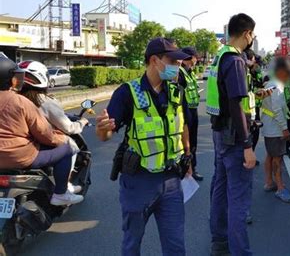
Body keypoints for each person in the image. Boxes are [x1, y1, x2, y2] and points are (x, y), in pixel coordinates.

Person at [95, 38, 192, 256]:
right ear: (155, 61)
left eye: (179, 62)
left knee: (176, 246)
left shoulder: (177, 91)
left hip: (171, 181)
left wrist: (188, 156)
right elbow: (106, 133)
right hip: (138, 181)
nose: (178, 66)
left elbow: (183, 124)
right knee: (132, 243)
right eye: (172, 61)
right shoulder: (127, 93)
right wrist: (102, 129)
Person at [207, 13, 269, 256]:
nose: (252, 38)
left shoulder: (219, 57)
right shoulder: (235, 61)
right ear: (247, 34)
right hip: (234, 138)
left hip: (220, 134)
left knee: (220, 192)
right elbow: (236, 105)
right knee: (239, 200)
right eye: (252, 34)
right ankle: (240, 252)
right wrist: (247, 145)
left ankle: (219, 244)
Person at [0, 54, 82, 206]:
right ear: (11, 79)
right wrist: (61, 139)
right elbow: (44, 134)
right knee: (66, 149)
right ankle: (60, 194)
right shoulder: (20, 101)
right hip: (19, 157)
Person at [18, 60, 87, 194]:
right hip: (30, 148)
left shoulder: (12, 99)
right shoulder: (44, 101)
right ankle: (63, 189)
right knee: (69, 147)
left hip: (15, 146)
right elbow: (68, 128)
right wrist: (82, 122)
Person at [261, 57, 290, 203]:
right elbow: (277, 109)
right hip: (275, 128)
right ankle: (280, 188)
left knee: (270, 155)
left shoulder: (273, 84)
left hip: (270, 127)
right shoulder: (276, 86)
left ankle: (269, 182)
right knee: (277, 158)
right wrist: (285, 128)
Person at [178, 46, 203, 181]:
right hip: (185, 110)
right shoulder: (180, 73)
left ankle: (192, 168)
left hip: (192, 110)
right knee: (186, 142)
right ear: (188, 58)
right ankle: (186, 169)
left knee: (193, 142)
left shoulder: (190, 72)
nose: (196, 60)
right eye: (195, 57)